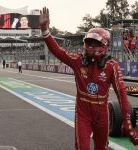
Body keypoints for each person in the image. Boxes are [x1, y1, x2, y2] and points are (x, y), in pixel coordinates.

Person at [39, 7, 138, 150]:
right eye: (89, 42)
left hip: (102, 115)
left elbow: (122, 94)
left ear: (105, 45)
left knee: (101, 147)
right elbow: (57, 51)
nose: (91, 46)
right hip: (83, 114)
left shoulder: (112, 66)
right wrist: (44, 30)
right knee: (82, 147)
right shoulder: (77, 60)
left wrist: (128, 121)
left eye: (96, 43)